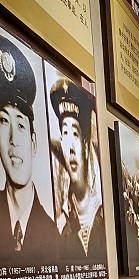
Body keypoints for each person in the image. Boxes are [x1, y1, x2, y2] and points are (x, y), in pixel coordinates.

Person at [0, 35, 58, 259]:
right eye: (4, 121)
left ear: (33, 143)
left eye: (21, 125)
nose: (13, 139)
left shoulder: (55, 236)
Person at [49, 78, 105, 259]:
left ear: (86, 145)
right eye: (65, 133)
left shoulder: (103, 212)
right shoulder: (62, 223)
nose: (70, 147)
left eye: (75, 133)